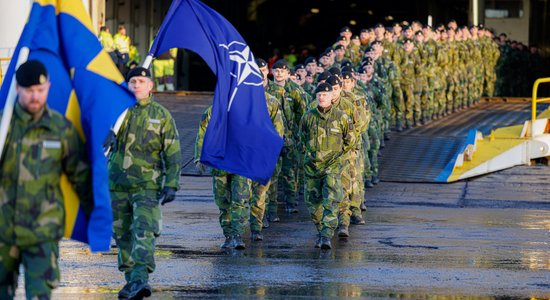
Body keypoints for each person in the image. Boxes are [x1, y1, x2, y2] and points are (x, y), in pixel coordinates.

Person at [0, 60, 92, 299]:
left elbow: (81, 176)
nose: (35, 97)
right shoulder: (3, 126)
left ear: (48, 88)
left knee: (40, 295)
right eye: (29, 91)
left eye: (40, 91)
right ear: (17, 88)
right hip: (2, 231)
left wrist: (97, 215)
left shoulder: (60, 129)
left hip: (42, 232)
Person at [107, 67, 181, 299]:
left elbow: (173, 152)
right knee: (122, 235)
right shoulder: (116, 112)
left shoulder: (161, 115)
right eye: (133, 81)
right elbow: (93, 138)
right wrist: (104, 133)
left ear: (151, 86)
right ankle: (132, 280)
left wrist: (172, 183)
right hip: (116, 184)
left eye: (141, 81)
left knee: (143, 231)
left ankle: (140, 278)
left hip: (147, 185)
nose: (137, 85)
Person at [298, 82, 355, 249]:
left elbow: (350, 140)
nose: (321, 97)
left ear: (332, 97)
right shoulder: (308, 117)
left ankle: (326, 236)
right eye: (319, 95)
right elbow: (301, 139)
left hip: (333, 167)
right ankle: (321, 229)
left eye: (325, 94)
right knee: (313, 205)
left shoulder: (341, 117)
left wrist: (336, 156)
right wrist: (309, 155)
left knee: (330, 201)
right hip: (312, 168)